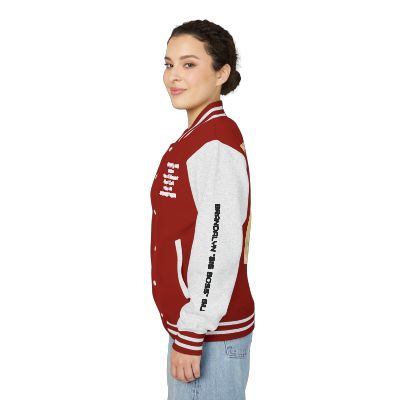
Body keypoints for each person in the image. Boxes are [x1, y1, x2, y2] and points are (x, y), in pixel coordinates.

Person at [150, 19, 255, 400]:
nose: (173, 76)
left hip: (208, 335)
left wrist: (192, 332)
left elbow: (219, 242)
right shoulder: (197, 138)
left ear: (221, 73)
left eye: (189, 64)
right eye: (169, 64)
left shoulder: (215, 144)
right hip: (196, 329)